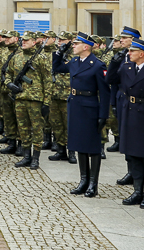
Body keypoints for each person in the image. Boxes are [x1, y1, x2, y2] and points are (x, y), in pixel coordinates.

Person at [54, 32, 110, 197]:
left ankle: (93, 184)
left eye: (76, 44)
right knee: (79, 145)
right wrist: (59, 53)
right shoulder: (74, 61)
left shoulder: (98, 65)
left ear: (86, 47)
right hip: (75, 106)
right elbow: (57, 68)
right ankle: (83, 181)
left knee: (92, 147)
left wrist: (103, 115)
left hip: (90, 107)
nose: (73, 46)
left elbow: (105, 93)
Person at [107, 39, 144, 208]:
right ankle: (137, 191)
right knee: (133, 155)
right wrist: (114, 63)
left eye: (132, 51)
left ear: (142, 53)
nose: (129, 54)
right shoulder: (127, 67)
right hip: (130, 112)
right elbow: (111, 79)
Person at [4, 31, 53, 170]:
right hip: (20, 98)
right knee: (23, 129)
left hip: (35, 99)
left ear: (34, 42)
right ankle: (26, 156)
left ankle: (35, 158)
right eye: (22, 40)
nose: (23, 42)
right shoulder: (16, 57)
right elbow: (7, 72)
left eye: (27, 40)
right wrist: (9, 84)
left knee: (37, 129)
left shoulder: (41, 58)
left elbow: (48, 81)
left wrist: (46, 102)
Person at [48, 31, 76, 163]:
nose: (60, 42)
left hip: (67, 95)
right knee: (56, 124)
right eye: (59, 40)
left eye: (63, 40)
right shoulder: (56, 55)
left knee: (69, 125)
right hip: (54, 94)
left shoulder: (73, 56)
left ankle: (71, 152)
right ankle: (60, 150)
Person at [0, 30, 20, 153]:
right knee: (8, 117)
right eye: (4, 37)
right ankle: (11, 142)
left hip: (16, 90)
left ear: (16, 39)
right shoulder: (3, 51)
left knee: (19, 119)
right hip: (4, 90)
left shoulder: (21, 52)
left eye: (8, 37)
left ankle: (21, 144)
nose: (5, 39)